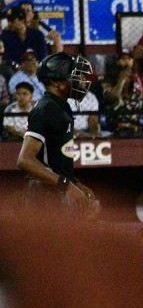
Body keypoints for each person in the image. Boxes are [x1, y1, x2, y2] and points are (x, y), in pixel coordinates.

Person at [16, 52, 97, 212]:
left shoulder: (61, 107)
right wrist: (67, 185)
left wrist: (75, 183)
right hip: (44, 196)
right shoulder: (46, 108)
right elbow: (25, 160)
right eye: (74, 76)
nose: (80, 81)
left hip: (54, 192)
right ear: (56, 82)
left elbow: (56, 159)